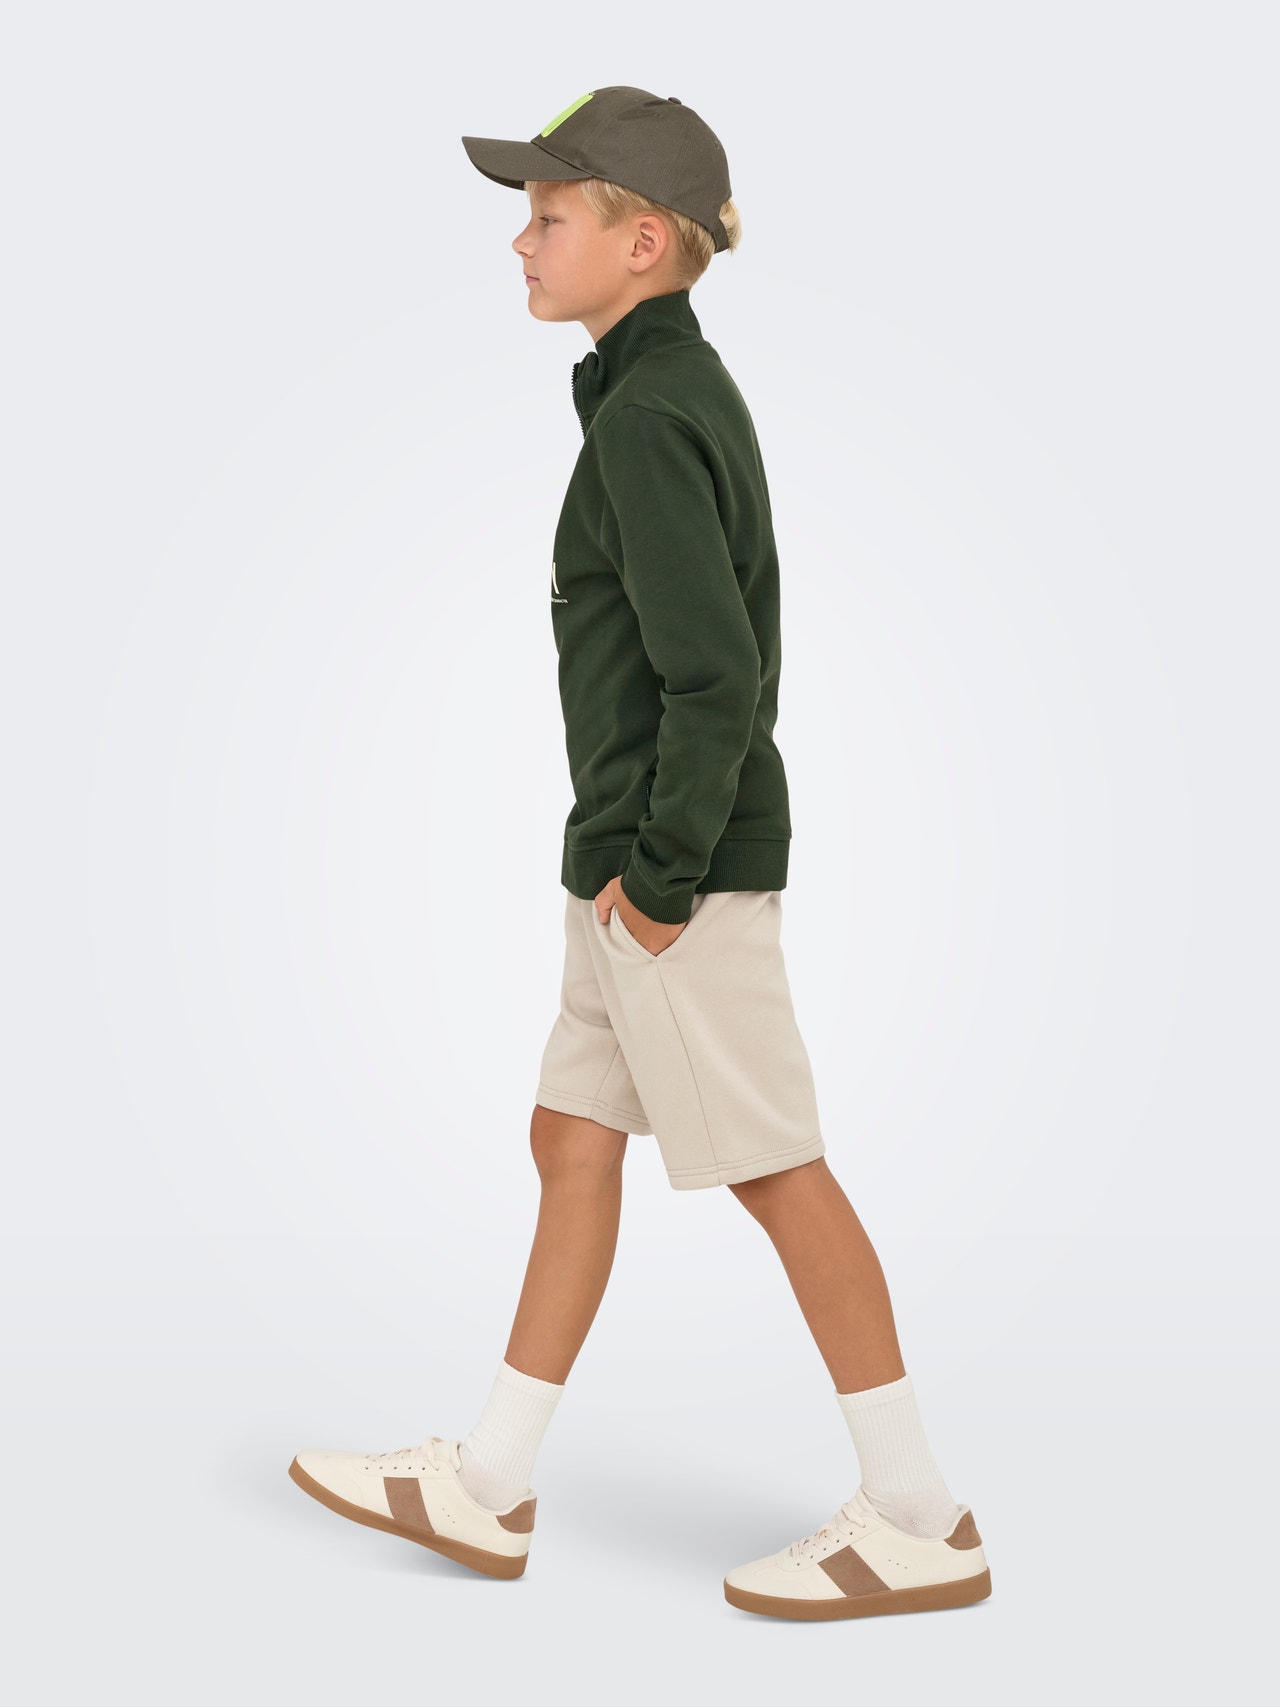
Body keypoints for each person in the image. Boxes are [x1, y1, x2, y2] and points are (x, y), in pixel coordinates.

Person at [289, 85, 991, 1622]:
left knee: (778, 1169)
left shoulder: (654, 417)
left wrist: (664, 882)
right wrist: (627, 871)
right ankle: (488, 1483)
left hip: (673, 874)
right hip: (623, 864)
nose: (520, 243)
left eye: (549, 217)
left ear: (644, 242)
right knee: (573, 1139)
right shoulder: (645, 394)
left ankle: (919, 1515)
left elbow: (716, 678)